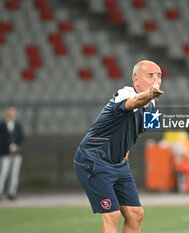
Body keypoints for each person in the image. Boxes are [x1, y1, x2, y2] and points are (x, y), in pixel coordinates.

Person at [74, 60, 163, 233]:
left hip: (118, 164)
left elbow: (134, 132)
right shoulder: (125, 93)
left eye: (159, 75)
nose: (156, 79)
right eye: (150, 75)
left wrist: (125, 152)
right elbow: (133, 103)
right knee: (112, 215)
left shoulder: (152, 105)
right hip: (93, 160)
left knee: (136, 214)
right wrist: (150, 94)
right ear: (135, 79)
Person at [0, 106, 24, 200]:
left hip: (16, 154)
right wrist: (8, 147)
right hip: (5, 153)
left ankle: (12, 193)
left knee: (14, 174)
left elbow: (21, 138)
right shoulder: (2, 125)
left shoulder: (17, 125)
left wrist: (17, 146)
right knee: (3, 173)